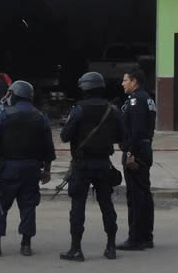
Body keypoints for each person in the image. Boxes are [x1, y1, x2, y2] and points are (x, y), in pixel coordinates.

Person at [0, 81, 56, 257]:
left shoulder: (5, 115)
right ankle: (26, 244)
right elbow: (49, 148)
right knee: (28, 206)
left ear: (14, 95)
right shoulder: (40, 117)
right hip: (32, 168)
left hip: (8, 167)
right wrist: (47, 170)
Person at [59, 72, 125, 262]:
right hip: (104, 163)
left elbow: (65, 136)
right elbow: (122, 136)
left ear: (84, 88)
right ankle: (111, 247)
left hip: (82, 165)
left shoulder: (79, 110)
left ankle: (76, 250)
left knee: (78, 207)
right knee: (107, 205)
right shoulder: (112, 110)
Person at [117, 69, 156, 251]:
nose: (122, 84)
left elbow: (137, 130)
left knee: (136, 196)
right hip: (144, 149)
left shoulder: (136, 100)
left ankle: (136, 239)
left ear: (134, 81)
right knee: (144, 194)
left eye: (125, 80)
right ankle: (146, 236)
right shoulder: (147, 98)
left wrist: (130, 153)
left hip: (136, 152)